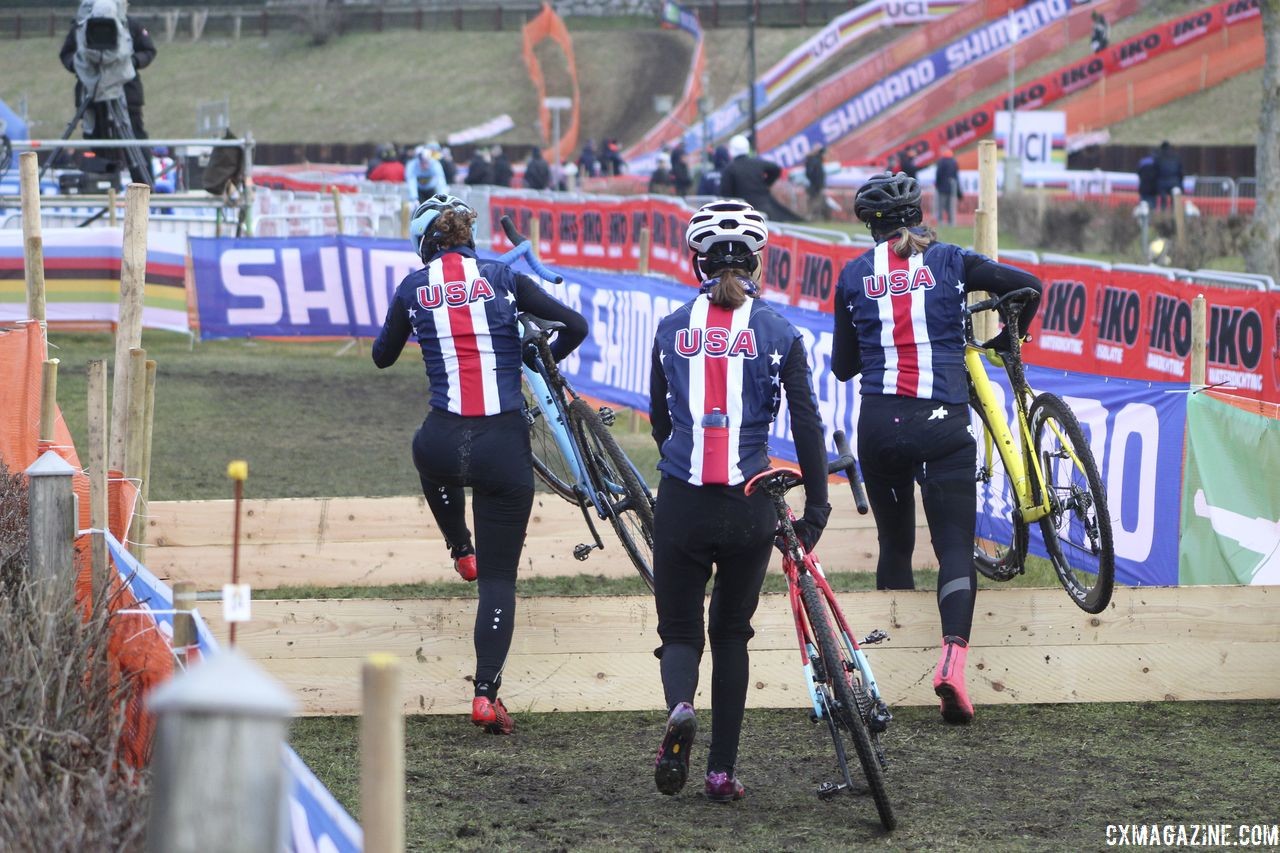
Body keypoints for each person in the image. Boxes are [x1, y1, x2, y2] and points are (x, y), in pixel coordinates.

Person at [372, 194, 588, 735]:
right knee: (500, 583)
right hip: (504, 446)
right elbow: (575, 325)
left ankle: (458, 546)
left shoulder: (413, 287)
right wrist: (532, 363)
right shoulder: (501, 277)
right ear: (468, 237)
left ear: (425, 244)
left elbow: (381, 356)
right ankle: (486, 696)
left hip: (444, 441)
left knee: (427, 456)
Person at [831, 172, 1041, 725]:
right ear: (918, 214)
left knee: (895, 545)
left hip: (879, 424)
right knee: (952, 545)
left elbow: (842, 367)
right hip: (944, 421)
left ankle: (891, 678)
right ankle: (952, 663)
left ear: (869, 226)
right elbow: (1027, 285)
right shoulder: (950, 259)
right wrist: (1009, 339)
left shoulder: (853, 274)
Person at [649, 199, 830, 802]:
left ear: (694, 259)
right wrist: (817, 511)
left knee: (679, 631)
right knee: (731, 635)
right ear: (759, 260)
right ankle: (721, 773)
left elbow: (658, 420)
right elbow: (808, 427)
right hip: (751, 501)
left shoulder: (671, 327)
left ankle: (679, 708)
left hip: (682, 497)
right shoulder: (780, 331)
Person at [59, 1, 157, 184]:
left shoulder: (130, 25)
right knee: (94, 138)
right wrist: (79, 66)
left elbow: (149, 50)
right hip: (91, 92)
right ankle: (101, 182)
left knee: (134, 138)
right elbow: (67, 53)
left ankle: (144, 186)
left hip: (126, 92)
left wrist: (133, 63)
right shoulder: (81, 26)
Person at [719, 134, 800, 223]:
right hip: (765, 208)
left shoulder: (729, 169)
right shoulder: (756, 164)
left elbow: (725, 194)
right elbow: (775, 169)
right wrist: (767, 183)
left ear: (731, 150)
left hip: (742, 212)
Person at [934, 147, 961, 226]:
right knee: (950, 206)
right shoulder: (954, 162)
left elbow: (938, 174)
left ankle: (940, 221)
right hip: (952, 187)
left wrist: (937, 185)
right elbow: (956, 176)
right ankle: (951, 222)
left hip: (942, 187)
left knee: (940, 206)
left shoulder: (941, 161)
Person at [1155, 140, 1184, 212]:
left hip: (1162, 182)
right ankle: (1173, 217)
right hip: (1174, 182)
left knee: (1163, 202)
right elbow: (1181, 172)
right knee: (1174, 202)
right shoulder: (1176, 157)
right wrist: (1180, 184)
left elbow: (1155, 171)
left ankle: (1163, 217)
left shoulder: (1158, 157)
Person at [804, 145, 827, 221]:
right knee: (815, 201)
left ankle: (813, 216)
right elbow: (811, 173)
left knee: (814, 200)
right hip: (815, 185)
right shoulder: (814, 160)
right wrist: (816, 183)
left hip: (814, 184)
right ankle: (812, 217)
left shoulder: (813, 160)